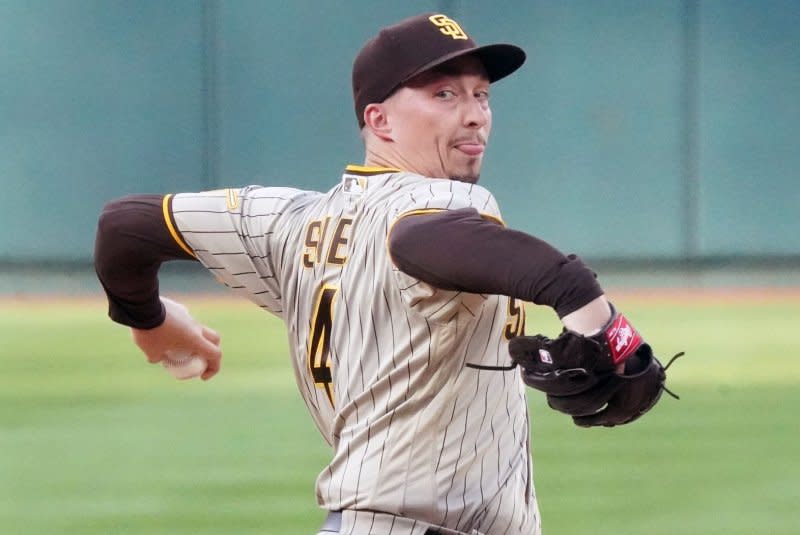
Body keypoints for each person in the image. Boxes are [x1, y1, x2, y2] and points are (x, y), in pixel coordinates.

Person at [95, 13, 656, 535]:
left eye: (480, 94)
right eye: (443, 94)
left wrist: (150, 321)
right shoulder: (443, 200)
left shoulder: (287, 222)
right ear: (378, 119)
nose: (474, 113)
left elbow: (123, 227)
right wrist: (606, 326)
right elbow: (443, 244)